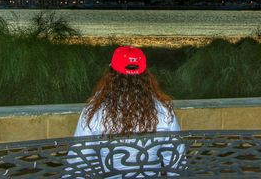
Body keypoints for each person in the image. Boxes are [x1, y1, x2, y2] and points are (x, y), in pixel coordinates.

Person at [65, 46, 182, 178]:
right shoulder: (164, 110)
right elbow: (176, 162)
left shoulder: (94, 112)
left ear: (111, 74)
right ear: (146, 75)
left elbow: (79, 164)